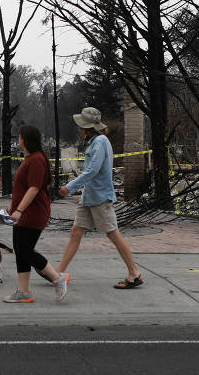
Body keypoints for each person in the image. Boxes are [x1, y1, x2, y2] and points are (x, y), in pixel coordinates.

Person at [56, 107, 143, 289]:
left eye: (81, 126)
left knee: (112, 233)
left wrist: (70, 187)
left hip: (100, 197)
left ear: (87, 128)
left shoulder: (100, 142)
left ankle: (134, 273)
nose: (79, 129)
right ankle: (58, 274)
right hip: (90, 196)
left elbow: (92, 170)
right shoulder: (94, 141)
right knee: (76, 232)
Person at [3, 124, 70, 303]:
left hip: (33, 213)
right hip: (23, 213)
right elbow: (23, 187)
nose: (18, 139)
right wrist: (12, 207)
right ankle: (23, 291)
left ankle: (57, 278)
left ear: (25, 139)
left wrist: (19, 210)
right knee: (20, 250)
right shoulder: (30, 158)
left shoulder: (37, 160)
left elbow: (33, 188)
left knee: (25, 250)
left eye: (19, 136)